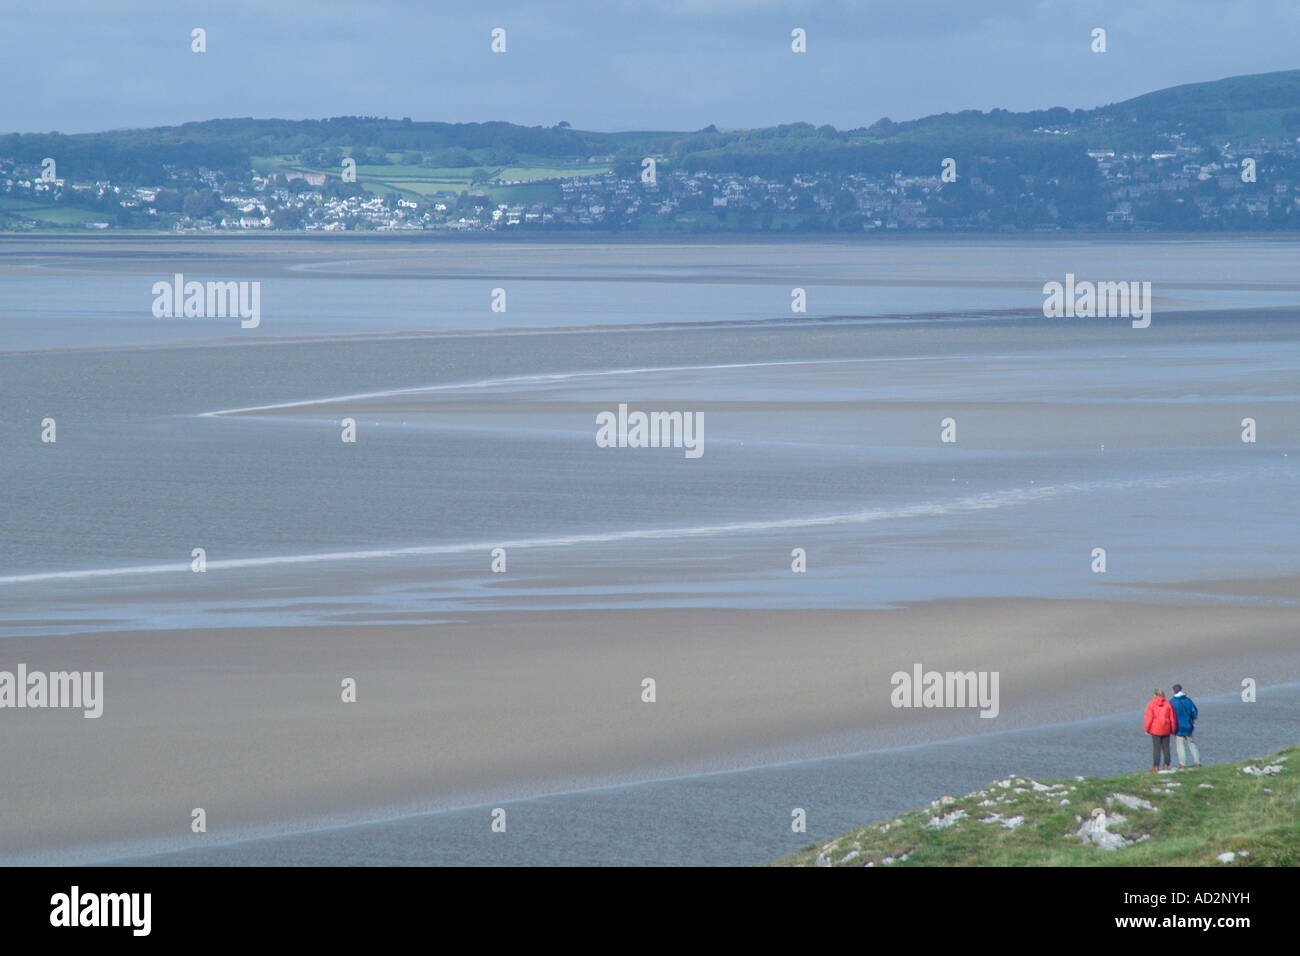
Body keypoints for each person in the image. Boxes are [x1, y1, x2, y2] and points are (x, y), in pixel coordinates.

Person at [1169, 683, 1201, 768]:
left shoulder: (1172, 702)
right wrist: (1192, 720)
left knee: (1180, 745)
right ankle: (1197, 761)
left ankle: (1182, 763)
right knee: (1191, 744)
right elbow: (1194, 712)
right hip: (1188, 725)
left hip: (1178, 727)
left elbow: (1170, 715)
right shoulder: (1188, 700)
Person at [1143, 688, 1176, 771]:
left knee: (1156, 748)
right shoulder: (1167, 704)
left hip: (1155, 729)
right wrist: (1173, 729)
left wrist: (1147, 729)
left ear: (1155, 695)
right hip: (1166, 728)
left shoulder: (1151, 704)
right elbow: (1172, 718)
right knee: (1166, 748)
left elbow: (1149, 718)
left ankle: (1156, 765)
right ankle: (1166, 764)